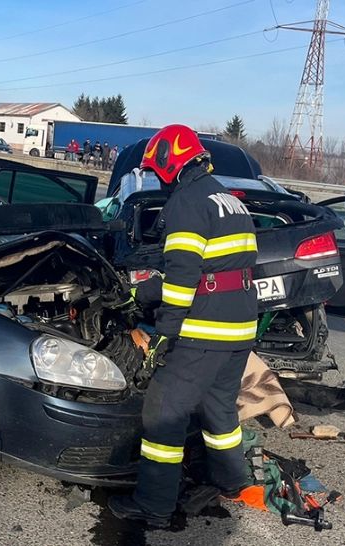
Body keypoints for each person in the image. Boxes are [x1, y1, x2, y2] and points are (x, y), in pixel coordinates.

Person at [108, 124, 258, 528]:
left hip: (205, 329)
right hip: (240, 326)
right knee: (218, 407)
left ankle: (153, 506)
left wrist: (163, 335)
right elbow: (219, 268)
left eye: (157, 170)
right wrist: (144, 293)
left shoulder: (186, 203)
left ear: (169, 161)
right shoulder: (229, 200)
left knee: (163, 410)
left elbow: (182, 278)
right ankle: (232, 481)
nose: (158, 177)